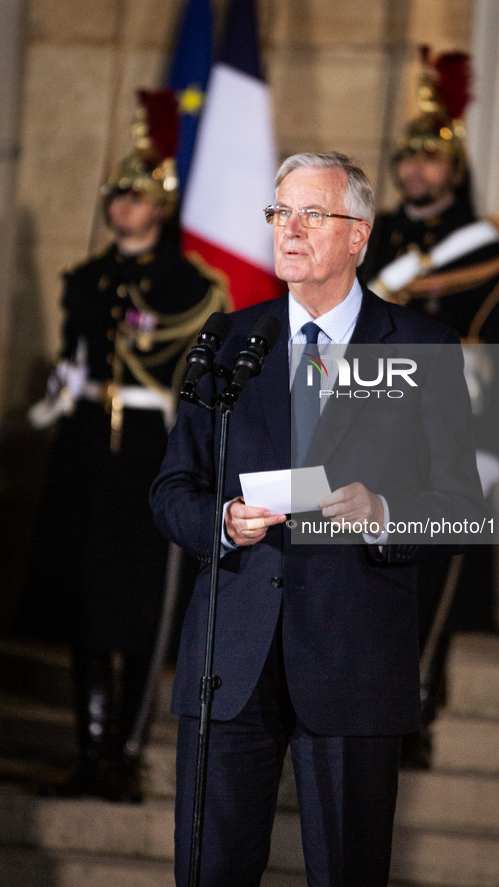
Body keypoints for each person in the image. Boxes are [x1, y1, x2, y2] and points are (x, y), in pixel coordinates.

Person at [150, 151, 486, 887]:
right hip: (230, 660)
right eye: (279, 212)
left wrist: (382, 512)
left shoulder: (422, 347)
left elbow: (460, 510)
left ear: (358, 235)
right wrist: (225, 518)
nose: (289, 230)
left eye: (311, 213)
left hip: (351, 659)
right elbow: (172, 488)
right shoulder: (227, 341)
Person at [25, 90, 227, 802]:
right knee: (85, 600)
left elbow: (201, 376)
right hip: (87, 446)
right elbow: (79, 353)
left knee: (141, 602)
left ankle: (125, 753)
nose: (122, 206)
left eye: (136, 197)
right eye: (116, 194)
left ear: (162, 207)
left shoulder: (192, 287)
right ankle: (88, 748)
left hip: (150, 448)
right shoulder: (87, 279)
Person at [360, 49, 499, 762]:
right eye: (408, 158)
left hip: (448, 436)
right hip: (373, 429)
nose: (416, 171)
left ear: (453, 170)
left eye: (430, 160)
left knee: (432, 575)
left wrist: (491, 452)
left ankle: (416, 711)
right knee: (368, 568)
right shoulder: (375, 240)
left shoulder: (485, 250)